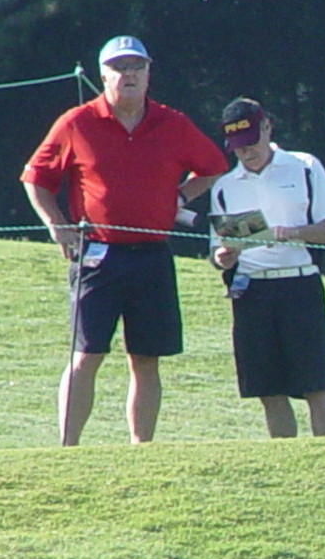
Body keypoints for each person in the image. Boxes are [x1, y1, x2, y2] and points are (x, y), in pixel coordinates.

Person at [21, 36, 230, 445]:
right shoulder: (77, 122)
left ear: (149, 74)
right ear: (104, 76)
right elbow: (36, 178)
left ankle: (141, 450)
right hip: (97, 255)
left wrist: (182, 195)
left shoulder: (173, 124)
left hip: (151, 255)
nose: (128, 75)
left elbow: (213, 167)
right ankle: (68, 449)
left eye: (137, 67)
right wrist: (56, 223)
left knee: (146, 360)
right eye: (119, 68)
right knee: (86, 356)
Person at [208, 98, 325, 438]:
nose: (246, 153)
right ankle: (285, 457)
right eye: (237, 148)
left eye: (251, 143)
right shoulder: (225, 186)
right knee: (267, 388)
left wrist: (297, 233)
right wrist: (223, 257)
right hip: (251, 289)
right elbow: (217, 250)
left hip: (300, 285)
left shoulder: (304, 166)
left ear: (267, 128)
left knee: (315, 385)